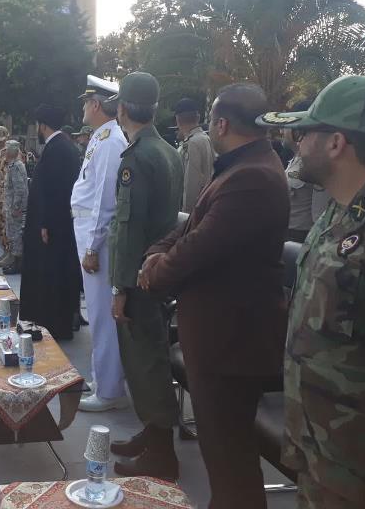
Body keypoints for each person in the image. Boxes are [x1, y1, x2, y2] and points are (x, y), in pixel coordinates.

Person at [141, 83, 290, 507]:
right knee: (223, 457)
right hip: (221, 335)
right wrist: (154, 256)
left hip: (230, 341)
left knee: (231, 459)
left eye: (210, 119)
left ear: (221, 123)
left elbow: (198, 247)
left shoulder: (253, 177)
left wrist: (155, 272)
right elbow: (187, 228)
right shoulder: (241, 167)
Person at [257, 74, 365, 509]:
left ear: (336, 143)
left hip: (363, 466)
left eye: (306, 133)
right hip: (322, 447)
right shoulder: (340, 209)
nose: (297, 143)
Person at [107, 72, 182, 481]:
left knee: (145, 364)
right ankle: (153, 436)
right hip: (159, 270)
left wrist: (120, 287)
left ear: (122, 109)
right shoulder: (168, 151)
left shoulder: (136, 158)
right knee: (151, 357)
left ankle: (162, 454)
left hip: (139, 276)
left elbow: (129, 227)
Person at [70, 75, 129, 412]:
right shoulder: (101, 137)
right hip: (89, 234)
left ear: (96, 105)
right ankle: (103, 376)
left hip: (98, 241)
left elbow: (105, 200)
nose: (83, 107)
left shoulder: (109, 141)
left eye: (85, 102)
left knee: (101, 315)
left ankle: (108, 390)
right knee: (96, 312)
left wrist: (92, 247)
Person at [19, 104, 82, 340]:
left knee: (53, 274)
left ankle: (55, 323)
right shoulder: (63, 146)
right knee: (57, 273)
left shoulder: (57, 148)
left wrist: (46, 223)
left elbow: (56, 190)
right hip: (58, 222)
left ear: (43, 125)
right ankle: (56, 320)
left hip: (53, 225)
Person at [281, 99, 330, 242]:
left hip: (301, 237)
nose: (282, 131)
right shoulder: (294, 159)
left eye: (286, 125)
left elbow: (320, 214)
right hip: (286, 232)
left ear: (298, 129)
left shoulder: (316, 164)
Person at [174, 97, 214, 214]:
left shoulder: (192, 144)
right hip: (206, 205)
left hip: (194, 212)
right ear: (198, 117)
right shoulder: (206, 138)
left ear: (177, 120)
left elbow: (190, 184)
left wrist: (186, 216)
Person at [1, 140, 28, 274]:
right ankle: (15, 262)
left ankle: (18, 265)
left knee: (16, 236)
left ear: (12, 151)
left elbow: (20, 189)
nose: (4, 152)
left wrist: (16, 207)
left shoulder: (16, 166)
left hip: (15, 209)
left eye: (6, 150)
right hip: (11, 207)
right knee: (12, 235)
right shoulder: (13, 165)